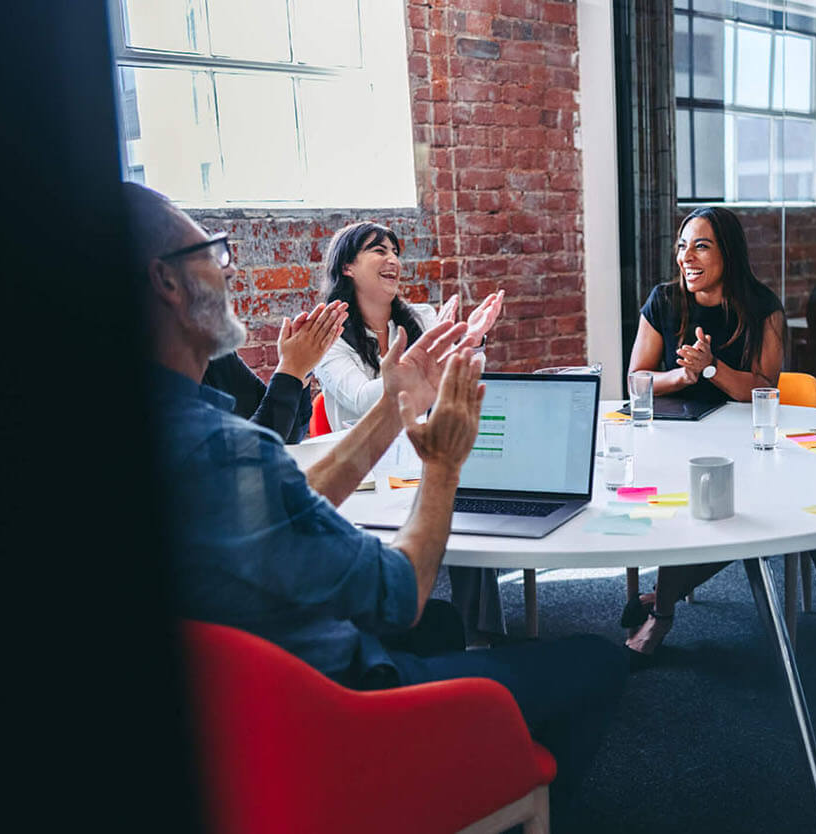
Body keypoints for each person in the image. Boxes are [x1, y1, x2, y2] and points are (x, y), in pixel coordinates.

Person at [124, 184, 626, 819]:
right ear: (166, 284)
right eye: (212, 251)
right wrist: (443, 465)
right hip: (336, 707)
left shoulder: (172, 441)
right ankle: (492, 794)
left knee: (443, 626)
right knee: (600, 660)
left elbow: (270, 503)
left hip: (245, 703)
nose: (226, 267)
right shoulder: (220, 450)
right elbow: (403, 587)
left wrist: (395, 405)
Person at [313, 221, 508, 641]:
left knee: (468, 501)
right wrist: (407, 381)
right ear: (347, 266)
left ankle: (481, 633)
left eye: (394, 251)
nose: (392, 259)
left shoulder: (420, 316)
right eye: (377, 250)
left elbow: (454, 384)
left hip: (425, 450)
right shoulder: (330, 338)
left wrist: (471, 345)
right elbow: (361, 397)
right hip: (368, 467)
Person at [622, 206, 786, 656]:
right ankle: (667, 594)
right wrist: (683, 376)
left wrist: (712, 367)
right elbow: (636, 380)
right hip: (676, 435)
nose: (686, 257)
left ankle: (662, 611)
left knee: (731, 510)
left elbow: (763, 390)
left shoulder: (763, 309)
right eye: (682, 246)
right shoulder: (664, 300)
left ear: (728, 254)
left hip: (742, 442)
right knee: (673, 496)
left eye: (701, 246)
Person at [201, 300, 347, 442]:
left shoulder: (214, 355)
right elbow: (250, 451)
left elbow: (290, 435)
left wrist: (302, 369)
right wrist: (291, 369)